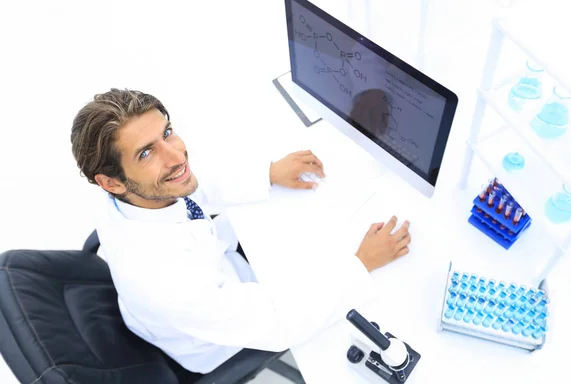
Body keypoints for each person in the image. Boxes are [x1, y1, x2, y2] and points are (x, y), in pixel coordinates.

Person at [70, 88, 412, 374]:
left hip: (219, 268)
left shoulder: (136, 193)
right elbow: (279, 325)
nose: (176, 155)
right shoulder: (166, 281)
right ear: (110, 181)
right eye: (146, 153)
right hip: (218, 335)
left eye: (167, 133)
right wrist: (362, 265)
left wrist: (267, 173)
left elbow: (191, 187)